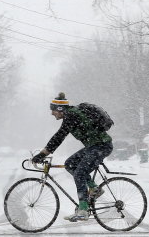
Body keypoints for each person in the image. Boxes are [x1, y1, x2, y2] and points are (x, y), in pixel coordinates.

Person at [31, 92, 114, 222]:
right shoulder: (71, 115)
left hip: (101, 146)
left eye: (53, 110)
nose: (52, 113)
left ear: (59, 109)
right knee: (69, 164)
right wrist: (44, 153)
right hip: (93, 146)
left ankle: (83, 209)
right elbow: (59, 136)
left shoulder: (71, 115)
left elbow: (59, 137)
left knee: (80, 173)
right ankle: (94, 188)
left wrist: (42, 154)